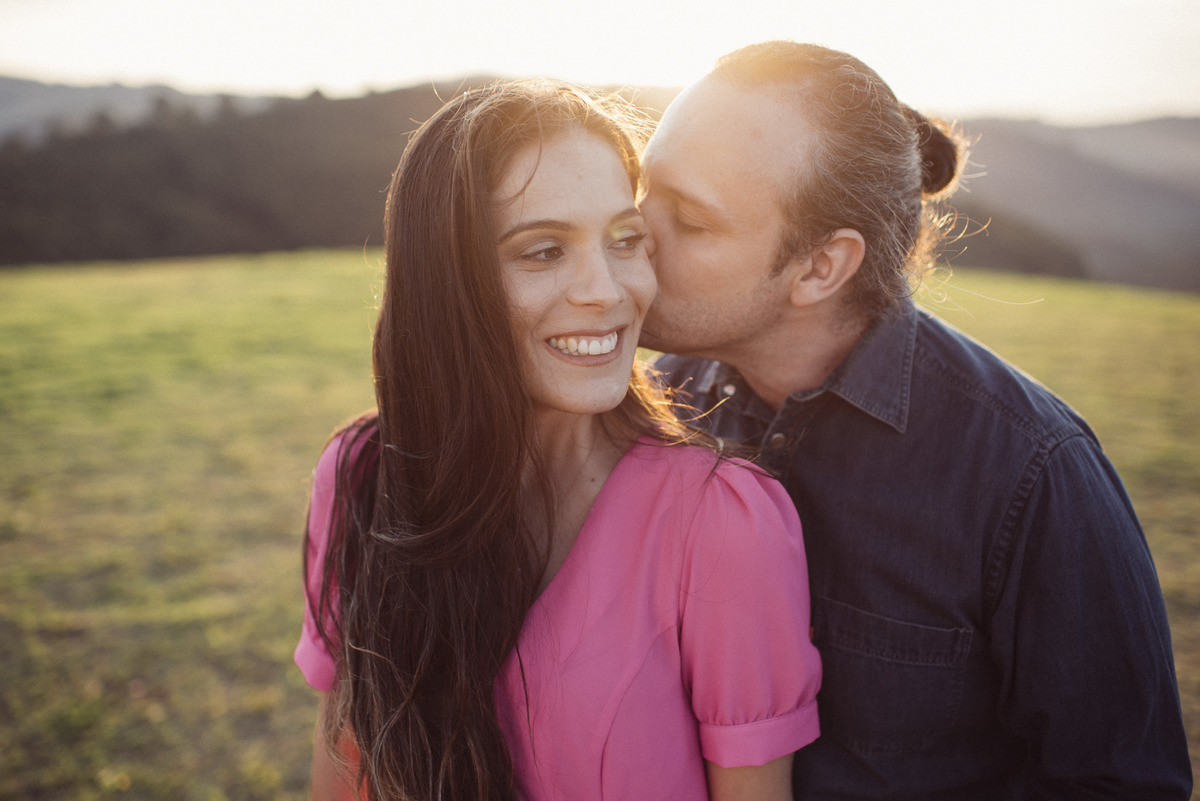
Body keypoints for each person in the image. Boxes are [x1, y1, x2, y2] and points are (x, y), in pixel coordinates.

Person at [641, 41, 1192, 799]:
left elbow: (1121, 782)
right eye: (644, 188)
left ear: (820, 267)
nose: (632, 231)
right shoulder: (648, 407)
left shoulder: (1032, 470)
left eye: (690, 220)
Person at [292, 80, 822, 801]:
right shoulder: (361, 476)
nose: (605, 290)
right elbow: (344, 763)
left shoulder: (724, 523)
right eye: (543, 251)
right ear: (447, 280)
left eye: (624, 240)